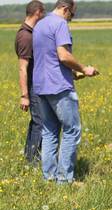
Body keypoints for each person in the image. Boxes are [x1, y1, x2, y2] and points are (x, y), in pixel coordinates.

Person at [33, 0, 99, 183]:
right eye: (72, 14)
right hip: (59, 86)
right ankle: (64, 179)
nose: (71, 19)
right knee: (72, 130)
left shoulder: (40, 24)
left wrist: (71, 72)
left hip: (41, 85)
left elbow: (48, 58)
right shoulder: (60, 23)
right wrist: (84, 68)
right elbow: (63, 55)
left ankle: (49, 177)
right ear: (65, 9)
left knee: (49, 131)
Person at [14, 0, 46, 164]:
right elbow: (22, 68)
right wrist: (24, 95)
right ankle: (33, 161)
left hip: (36, 85)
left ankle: (29, 157)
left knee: (37, 122)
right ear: (38, 13)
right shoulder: (25, 36)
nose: (44, 16)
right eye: (43, 13)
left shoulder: (30, 32)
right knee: (40, 122)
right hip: (33, 87)